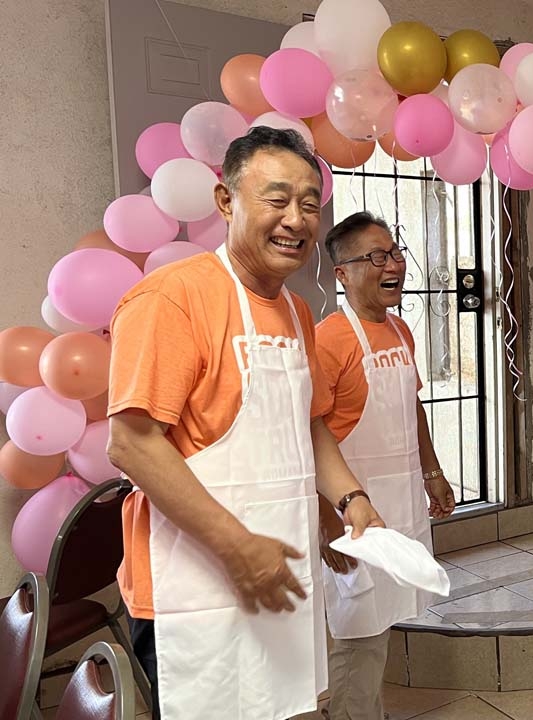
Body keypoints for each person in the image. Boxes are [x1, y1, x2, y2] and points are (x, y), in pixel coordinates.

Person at [106, 127, 386, 720]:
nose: (296, 220)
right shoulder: (172, 298)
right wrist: (236, 547)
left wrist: (350, 499)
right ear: (226, 201)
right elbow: (131, 443)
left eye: (309, 204)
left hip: (278, 572)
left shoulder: (297, 311)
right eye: (276, 200)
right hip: (195, 588)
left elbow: (310, 423)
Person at [314, 211, 456, 720]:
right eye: (376, 256)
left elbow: (411, 406)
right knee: (357, 631)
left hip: (399, 504)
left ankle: (368, 710)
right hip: (350, 512)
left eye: (395, 253)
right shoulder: (329, 340)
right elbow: (311, 436)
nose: (393, 264)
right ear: (343, 273)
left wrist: (432, 473)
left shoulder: (399, 330)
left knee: (382, 621)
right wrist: (326, 520)